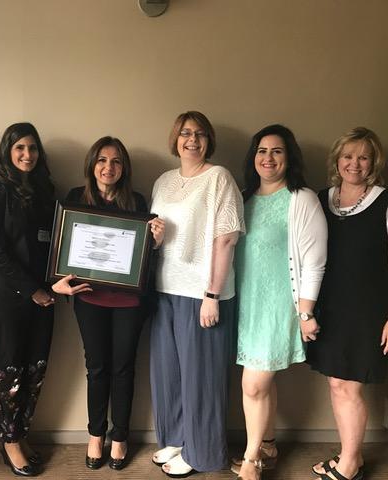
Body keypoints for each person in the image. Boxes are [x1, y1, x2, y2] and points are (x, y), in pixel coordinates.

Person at [51, 136, 165, 471]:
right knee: (97, 368)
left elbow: (144, 259)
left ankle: (120, 437)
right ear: (92, 164)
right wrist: (58, 282)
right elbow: (62, 247)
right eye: (102, 160)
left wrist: (155, 243)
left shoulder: (138, 202)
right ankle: (95, 435)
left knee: (123, 369)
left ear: (124, 168)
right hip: (88, 296)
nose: (108, 167)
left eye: (116, 161)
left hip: (129, 302)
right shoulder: (75, 199)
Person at [307, 127, 388, 480]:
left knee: (349, 385)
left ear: (374, 163)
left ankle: (350, 463)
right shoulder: (322, 199)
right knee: (337, 384)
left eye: (363, 157)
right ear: (337, 160)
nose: (355, 163)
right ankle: (351, 454)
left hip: (368, 312)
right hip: (329, 308)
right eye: (348, 156)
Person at [148, 111, 245, 477]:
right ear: (175, 138)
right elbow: (161, 237)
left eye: (200, 134)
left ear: (209, 140)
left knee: (201, 378)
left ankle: (202, 453)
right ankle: (177, 438)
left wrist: (212, 294)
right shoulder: (163, 181)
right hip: (165, 289)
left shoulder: (219, 177)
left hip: (202, 293)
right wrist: (155, 238)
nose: (192, 140)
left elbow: (226, 239)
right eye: (186, 133)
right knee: (168, 373)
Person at [232, 125, 327, 480]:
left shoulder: (301, 199)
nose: (268, 158)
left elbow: (314, 260)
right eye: (261, 150)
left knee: (253, 385)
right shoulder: (243, 198)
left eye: (277, 151)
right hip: (246, 306)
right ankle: (268, 446)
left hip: (278, 307)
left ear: (290, 158)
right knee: (263, 385)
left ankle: (251, 460)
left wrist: (306, 312)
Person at [0, 122, 59, 477]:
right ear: (8, 151)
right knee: (10, 368)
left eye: (33, 148)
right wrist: (33, 290)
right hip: (7, 295)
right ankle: (9, 441)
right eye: (20, 148)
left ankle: (21, 433)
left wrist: (54, 285)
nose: (28, 155)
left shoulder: (46, 191)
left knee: (35, 367)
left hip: (44, 295)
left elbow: (56, 244)